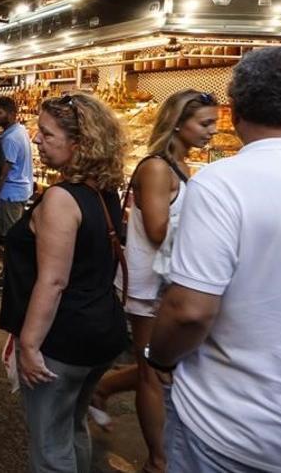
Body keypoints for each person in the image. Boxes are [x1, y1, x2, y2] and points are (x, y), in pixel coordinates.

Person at [148, 46, 281, 473]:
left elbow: (190, 311)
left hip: (230, 426)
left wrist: (160, 358)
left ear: (239, 113)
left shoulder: (221, 184)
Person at [0, 93, 130, 473]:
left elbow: (53, 281)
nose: (37, 140)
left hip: (65, 337)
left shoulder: (60, 198)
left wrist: (30, 344)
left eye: (47, 134)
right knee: (72, 427)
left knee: (50, 445)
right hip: (101, 330)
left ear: (79, 143)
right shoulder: (103, 191)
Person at [84, 89, 217, 470]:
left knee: (162, 363)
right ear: (178, 122)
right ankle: (158, 460)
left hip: (169, 280)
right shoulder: (157, 168)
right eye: (204, 123)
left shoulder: (181, 166)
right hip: (148, 284)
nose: (212, 130)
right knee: (152, 371)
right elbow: (159, 230)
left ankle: (105, 388)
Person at [0, 95, 35, 291]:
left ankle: (9, 279)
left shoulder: (11, 139)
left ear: (12, 114)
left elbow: (2, 174)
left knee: (9, 239)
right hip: (19, 191)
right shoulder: (18, 131)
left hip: (10, 194)